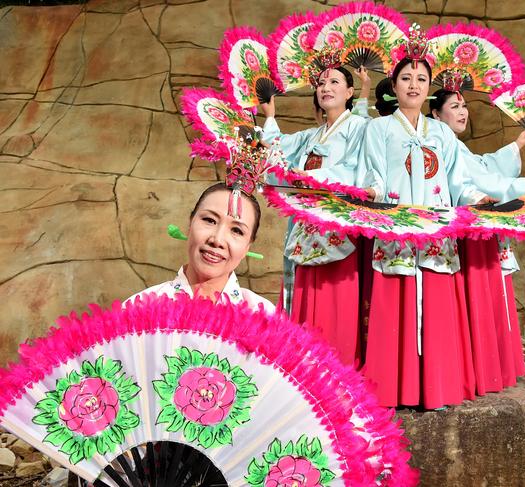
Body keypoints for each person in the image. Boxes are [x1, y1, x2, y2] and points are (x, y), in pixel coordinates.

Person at [359, 55, 496, 409]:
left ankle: (438, 389)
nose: (414, 85)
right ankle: (393, 391)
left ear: (428, 86)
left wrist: (475, 198)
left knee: (437, 308)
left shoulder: (441, 132)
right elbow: (372, 174)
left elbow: (457, 179)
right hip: (397, 229)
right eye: (406, 78)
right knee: (394, 306)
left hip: (436, 231)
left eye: (421, 78)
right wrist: (370, 192)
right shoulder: (378, 128)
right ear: (393, 85)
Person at [428, 89, 525, 392]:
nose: (463, 112)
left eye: (465, 106)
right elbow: (472, 183)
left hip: (475, 220)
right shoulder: (439, 145)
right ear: (435, 114)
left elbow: (483, 168)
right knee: (475, 300)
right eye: (454, 106)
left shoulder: (456, 147)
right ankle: (479, 372)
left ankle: (487, 370)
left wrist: (518, 144)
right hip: (465, 226)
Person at [260, 63, 368, 367]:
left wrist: (314, 177)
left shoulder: (360, 128)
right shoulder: (312, 135)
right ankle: (300, 365)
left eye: (334, 82)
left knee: (334, 297)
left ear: (349, 92)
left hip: (336, 222)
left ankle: (336, 365)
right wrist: (270, 117)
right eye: (321, 82)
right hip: (306, 223)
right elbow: (276, 151)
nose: (325, 87)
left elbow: (357, 169)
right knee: (303, 290)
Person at [128, 183, 274, 314]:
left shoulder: (265, 317)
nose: (217, 240)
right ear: (190, 224)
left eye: (237, 230)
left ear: (247, 247)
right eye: (210, 220)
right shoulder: (139, 308)